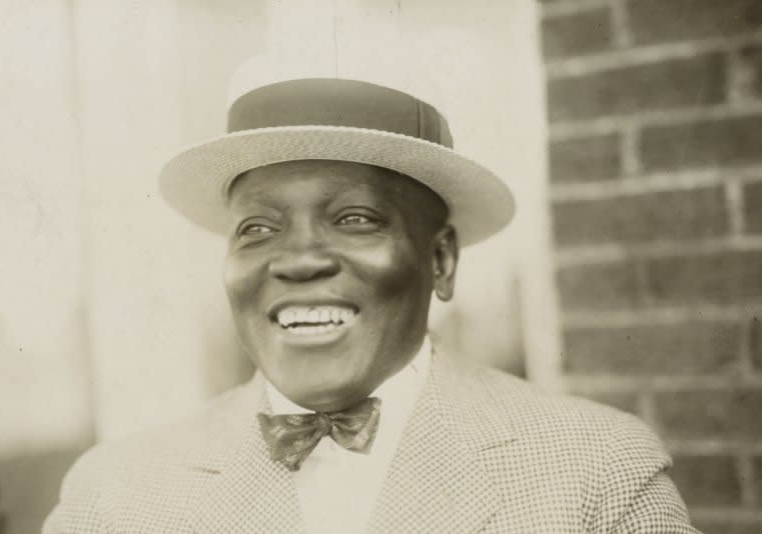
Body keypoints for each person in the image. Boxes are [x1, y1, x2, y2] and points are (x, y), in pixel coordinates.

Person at [43, 78, 699, 533]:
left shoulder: (595, 470)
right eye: (257, 229)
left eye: (354, 218)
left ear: (440, 260)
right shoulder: (115, 494)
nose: (297, 260)